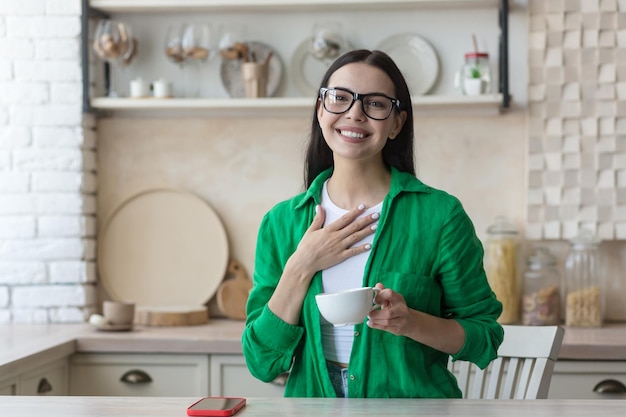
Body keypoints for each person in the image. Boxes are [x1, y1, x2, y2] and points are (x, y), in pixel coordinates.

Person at [241, 49, 503, 398]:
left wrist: (412, 322)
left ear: (397, 123)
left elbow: (484, 335)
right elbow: (262, 362)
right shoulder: (281, 223)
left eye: (375, 104)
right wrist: (301, 266)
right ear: (321, 111)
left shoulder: (440, 216)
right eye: (340, 98)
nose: (354, 113)